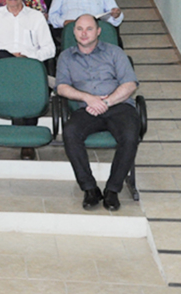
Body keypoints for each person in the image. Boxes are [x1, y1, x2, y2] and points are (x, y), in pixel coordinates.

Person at [56, 15, 140, 212]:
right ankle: (90, 189)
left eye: (89, 29)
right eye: (79, 29)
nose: (84, 33)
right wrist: (87, 98)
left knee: (130, 134)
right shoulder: (66, 57)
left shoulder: (115, 52)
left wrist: (107, 101)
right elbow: (61, 87)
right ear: (74, 32)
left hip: (118, 105)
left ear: (98, 31)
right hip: (86, 107)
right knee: (70, 132)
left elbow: (130, 84)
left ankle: (112, 190)